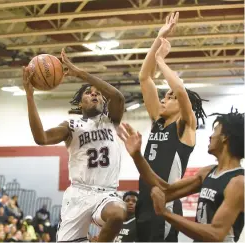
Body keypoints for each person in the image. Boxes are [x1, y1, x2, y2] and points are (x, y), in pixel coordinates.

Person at [23, 48, 126, 242]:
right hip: (78, 194)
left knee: (118, 213)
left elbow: (118, 98)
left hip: (106, 193)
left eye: (98, 94)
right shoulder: (71, 125)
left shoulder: (111, 120)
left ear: (104, 102)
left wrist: (80, 73)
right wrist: (30, 96)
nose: (94, 95)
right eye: (88, 93)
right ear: (80, 103)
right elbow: (41, 138)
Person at [118, 108, 244, 242]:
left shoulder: (238, 183)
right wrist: (137, 156)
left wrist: (166, 214)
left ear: (225, 137)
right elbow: (165, 190)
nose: (210, 136)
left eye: (214, 131)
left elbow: (215, 234)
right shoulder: (208, 172)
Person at [137, 12, 207, 242]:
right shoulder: (158, 120)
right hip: (143, 201)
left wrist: (161, 61)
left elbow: (179, 89)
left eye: (169, 97)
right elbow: (144, 78)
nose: (165, 98)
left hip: (165, 203)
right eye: (164, 96)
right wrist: (158, 39)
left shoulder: (186, 127)